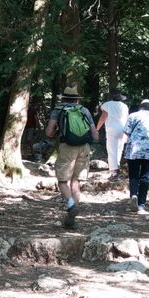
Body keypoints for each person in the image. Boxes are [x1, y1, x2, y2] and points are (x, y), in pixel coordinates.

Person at [45, 85, 99, 228]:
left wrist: (54, 133)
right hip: (84, 148)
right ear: (76, 99)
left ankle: (70, 206)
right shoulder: (84, 110)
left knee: (63, 181)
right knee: (76, 182)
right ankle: (71, 220)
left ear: (63, 98)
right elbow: (95, 134)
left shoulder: (58, 110)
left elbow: (49, 132)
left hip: (67, 147)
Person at [122, 99, 149, 215]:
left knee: (134, 175)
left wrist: (122, 151)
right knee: (145, 178)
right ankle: (141, 205)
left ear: (140, 107)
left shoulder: (132, 116)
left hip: (133, 150)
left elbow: (126, 134)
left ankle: (133, 196)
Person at [94, 90, 129, 179]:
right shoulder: (124, 106)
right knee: (119, 149)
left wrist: (96, 129)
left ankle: (113, 172)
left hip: (112, 129)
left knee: (112, 150)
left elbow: (103, 117)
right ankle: (117, 167)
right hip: (123, 129)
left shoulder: (107, 105)